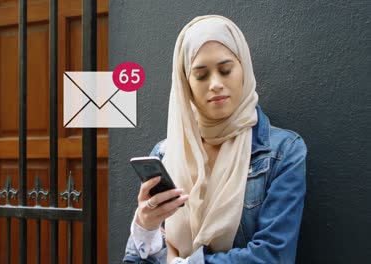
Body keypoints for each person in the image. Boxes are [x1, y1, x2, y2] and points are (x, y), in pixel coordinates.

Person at [123, 15, 307, 264]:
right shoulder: (166, 153)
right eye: (200, 75)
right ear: (186, 83)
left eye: (226, 70)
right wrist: (145, 227)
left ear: (244, 69)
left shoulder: (283, 152)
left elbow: (274, 256)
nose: (216, 84)